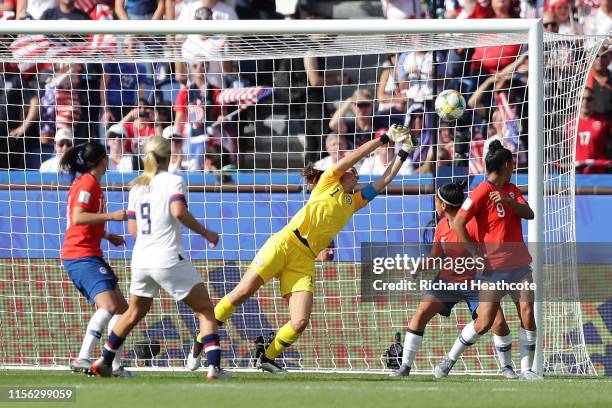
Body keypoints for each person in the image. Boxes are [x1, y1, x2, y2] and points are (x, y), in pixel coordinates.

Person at [212, 125, 415, 373]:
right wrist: (383, 139)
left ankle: (267, 356)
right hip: (285, 243)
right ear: (341, 174)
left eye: (356, 170)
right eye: (352, 170)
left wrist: (404, 152)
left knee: (299, 321)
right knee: (243, 291)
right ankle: (207, 330)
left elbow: (385, 179)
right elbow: (357, 155)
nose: (356, 171)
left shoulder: (354, 202)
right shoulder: (328, 182)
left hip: (305, 259)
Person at [90, 136, 224, 379]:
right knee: (205, 310)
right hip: (167, 257)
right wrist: (206, 232)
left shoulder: (136, 186)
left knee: (132, 313)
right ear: (167, 157)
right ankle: (214, 368)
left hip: (141, 259)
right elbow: (178, 211)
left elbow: (132, 230)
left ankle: (105, 359)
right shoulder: (174, 180)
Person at [434, 140, 540, 380]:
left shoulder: (512, 189)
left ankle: (527, 371)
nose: (514, 168)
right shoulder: (481, 190)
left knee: (527, 311)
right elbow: (459, 222)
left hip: (520, 264)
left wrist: (510, 202)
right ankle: (449, 359)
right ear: (506, 164)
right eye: (512, 164)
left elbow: (530, 214)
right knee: (483, 323)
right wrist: (474, 253)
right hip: (492, 268)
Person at [390, 180, 518, 379]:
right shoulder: (441, 225)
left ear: (443, 205)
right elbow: (435, 256)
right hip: (447, 282)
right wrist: (420, 266)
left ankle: (507, 367)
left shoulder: (474, 224)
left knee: (498, 323)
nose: (434, 203)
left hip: (477, 283)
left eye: (435, 200)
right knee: (421, 312)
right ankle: (405, 366)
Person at [59, 142, 131, 376]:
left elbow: (82, 219)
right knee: (109, 306)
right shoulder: (88, 182)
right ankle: (83, 357)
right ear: (101, 159)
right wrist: (112, 216)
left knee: (122, 309)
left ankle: (115, 367)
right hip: (79, 254)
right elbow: (78, 217)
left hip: (90, 253)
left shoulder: (91, 183)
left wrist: (108, 235)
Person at [574, 88, 610, 173]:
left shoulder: (604, 122)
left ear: (594, 102)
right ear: (575, 101)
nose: (584, 102)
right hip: (574, 174)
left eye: (588, 99)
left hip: (599, 173)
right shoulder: (567, 123)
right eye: (581, 98)